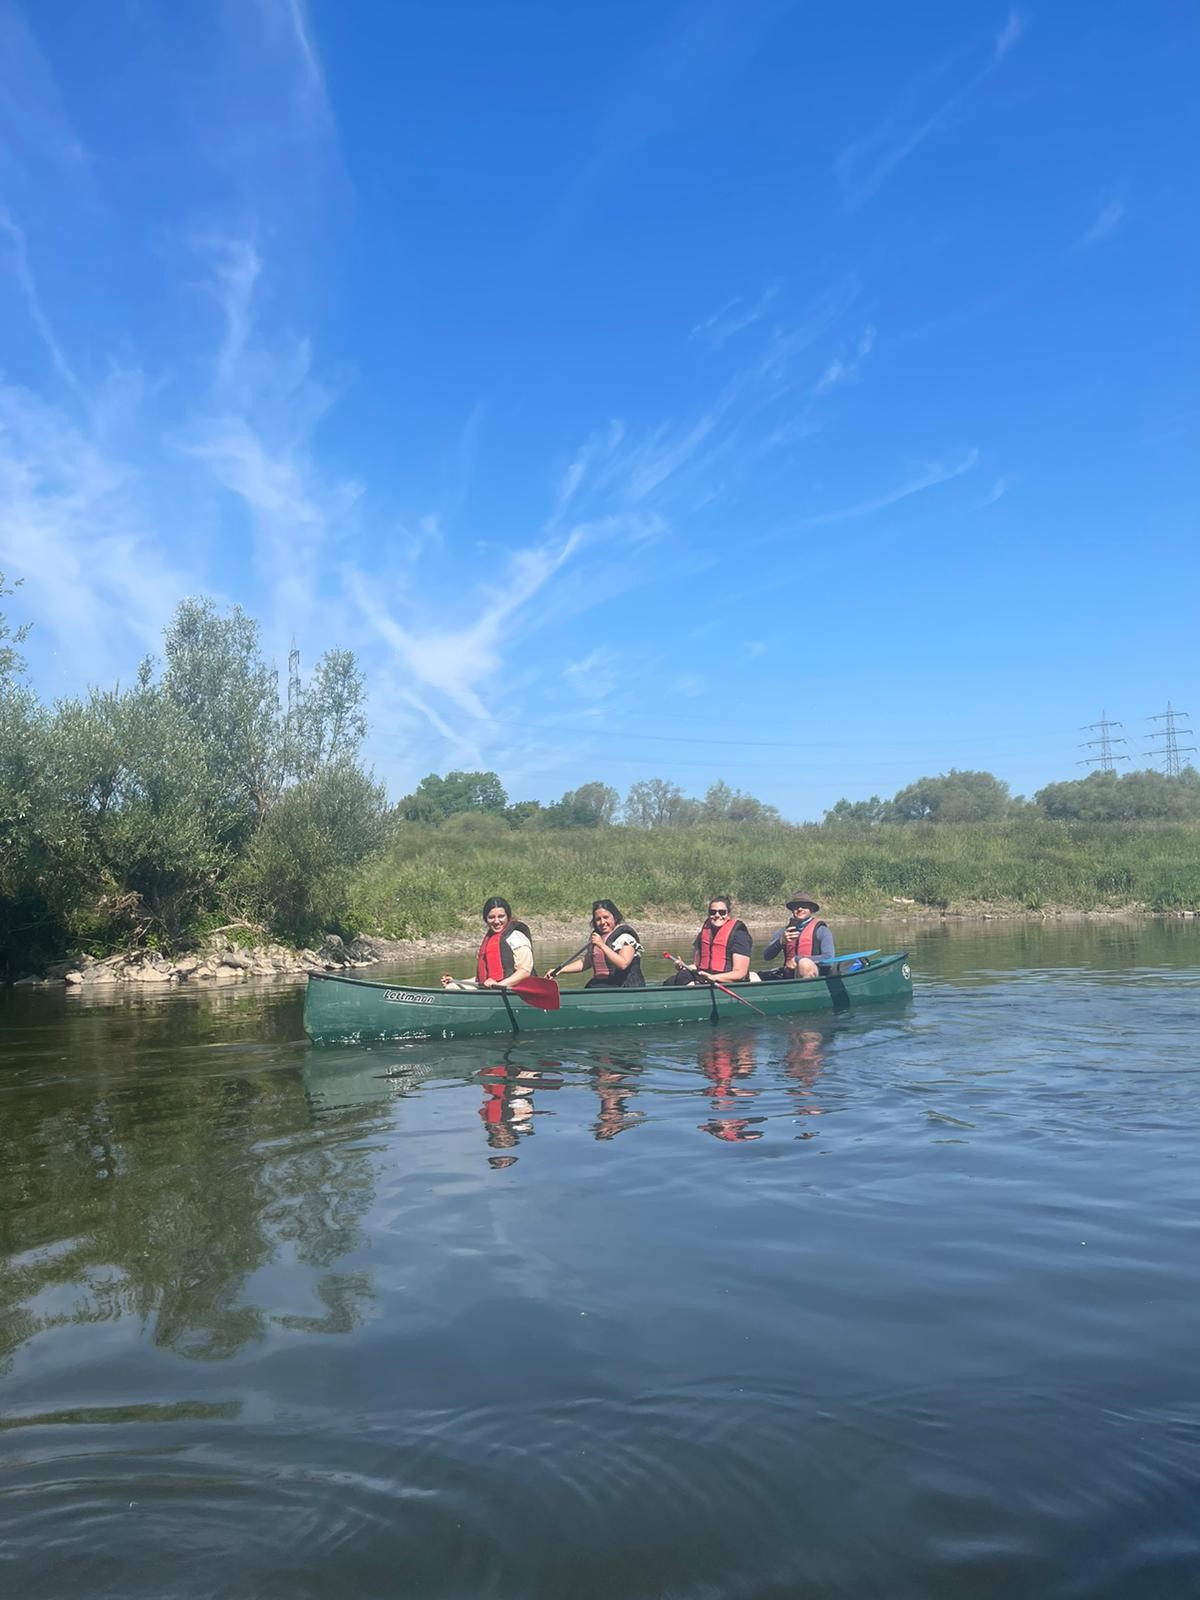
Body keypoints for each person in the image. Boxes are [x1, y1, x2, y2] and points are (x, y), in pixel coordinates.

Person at [440, 897, 536, 990]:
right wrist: (456, 982)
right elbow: (483, 979)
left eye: (501, 916)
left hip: (514, 989)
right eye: (491, 917)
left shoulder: (517, 938)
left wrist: (499, 985)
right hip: (494, 988)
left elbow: (524, 972)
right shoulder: (490, 939)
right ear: (486, 919)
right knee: (451, 987)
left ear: (508, 916)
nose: (496, 921)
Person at [548, 900, 645, 988]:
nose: (602, 922)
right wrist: (560, 970)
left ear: (615, 917)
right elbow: (586, 962)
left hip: (624, 986)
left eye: (606, 917)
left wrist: (601, 945)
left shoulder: (625, 937)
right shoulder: (597, 937)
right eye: (598, 919)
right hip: (601, 984)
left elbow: (623, 964)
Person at [664, 896, 753, 986]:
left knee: (682, 979)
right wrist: (683, 966)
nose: (717, 915)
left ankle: (691, 992)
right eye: (713, 912)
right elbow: (696, 965)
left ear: (728, 914)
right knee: (674, 979)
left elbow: (740, 973)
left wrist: (713, 977)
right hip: (705, 977)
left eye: (722, 912)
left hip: (727, 980)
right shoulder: (704, 933)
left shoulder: (740, 935)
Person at [759, 893, 834, 980]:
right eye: (796, 906)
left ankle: (807, 991)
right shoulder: (784, 932)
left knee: (804, 964)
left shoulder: (822, 930)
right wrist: (780, 942)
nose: (799, 909)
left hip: (817, 974)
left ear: (811, 909)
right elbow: (767, 956)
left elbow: (829, 958)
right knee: (754, 976)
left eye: (804, 906)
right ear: (792, 910)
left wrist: (798, 959)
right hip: (789, 975)